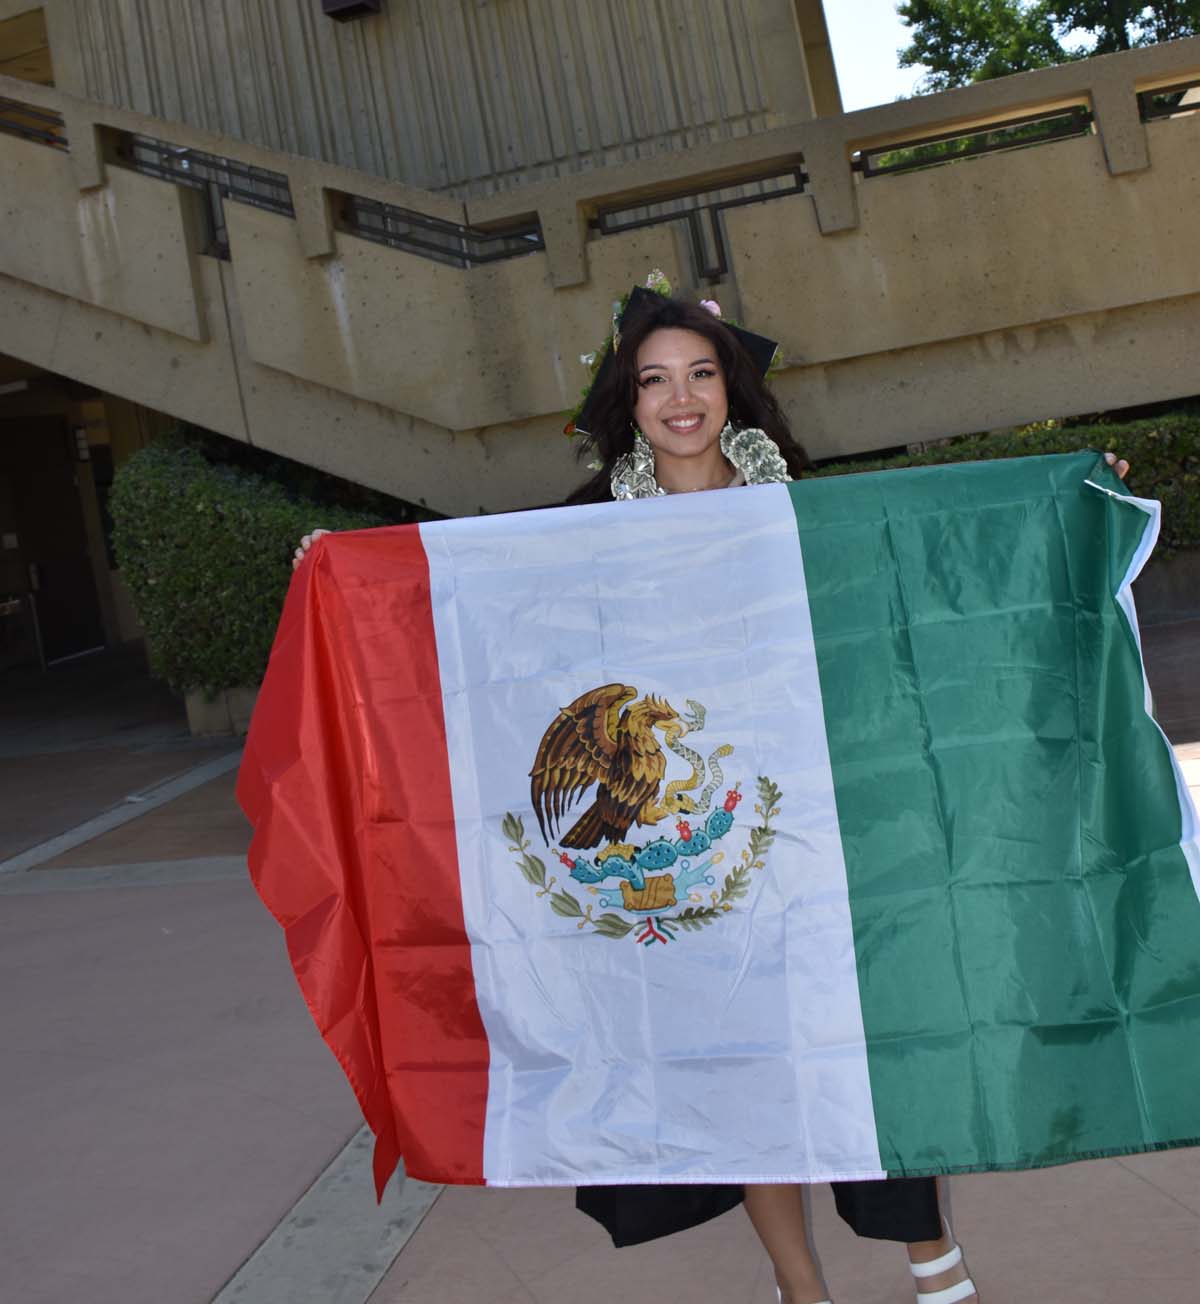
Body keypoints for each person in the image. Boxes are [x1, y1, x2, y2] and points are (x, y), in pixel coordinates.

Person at [293, 280, 1130, 1304]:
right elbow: (482, 609)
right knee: (740, 1071)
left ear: (730, 387)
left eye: (700, 374)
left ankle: (933, 1265)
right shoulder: (591, 523)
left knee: (873, 1032)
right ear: (629, 400)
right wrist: (342, 573)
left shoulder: (797, 500)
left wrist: (1075, 502)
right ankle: (799, 1287)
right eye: (655, 380)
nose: (680, 398)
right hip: (692, 853)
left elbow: (919, 576)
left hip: (816, 833)